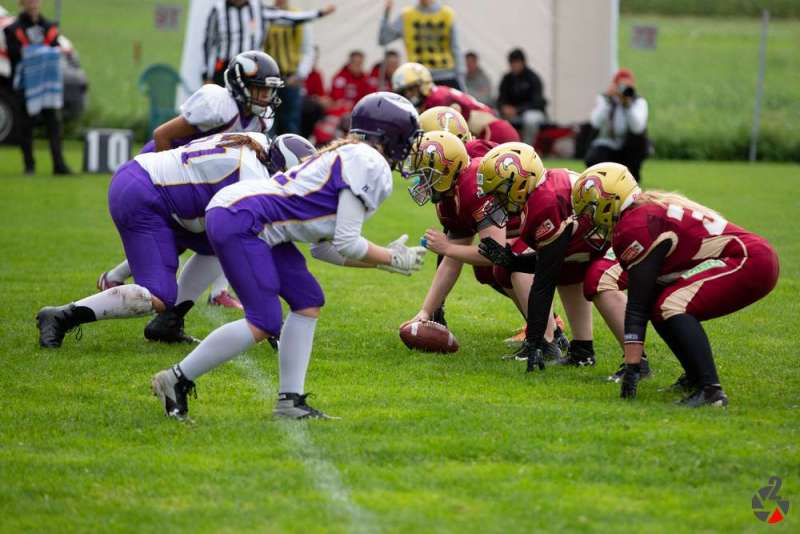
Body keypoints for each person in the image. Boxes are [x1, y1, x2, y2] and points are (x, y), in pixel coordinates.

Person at [150, 92, 427, 420]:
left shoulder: (354, 155)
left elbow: (326, 248)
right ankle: (176, 379)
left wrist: (383, 263)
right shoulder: (368, 161)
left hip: (252, 218)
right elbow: (349, 242)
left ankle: (290, 401)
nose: (410, 148)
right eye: (408, 139)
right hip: (244, 217)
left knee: (307, 300)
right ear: (389, 134)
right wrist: (391, 258)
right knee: (264, 321)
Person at [35, 132, 273, 349]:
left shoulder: (258, 141)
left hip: (152, 184)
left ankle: (169, 322)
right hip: (145, 196)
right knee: (158, 294)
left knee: (217, 245)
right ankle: (62, 316)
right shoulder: (253, 178)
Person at [571, 163, 779, 406]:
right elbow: (645, 302)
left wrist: (632, 368)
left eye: (590, 209)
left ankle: (711, 391)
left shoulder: (636, 226)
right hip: (751, 256)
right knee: (659, 306)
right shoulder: (641, 213)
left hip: (748, 260)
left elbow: (636, 305)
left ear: (611, 200)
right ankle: (695, 377)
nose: (588, 218)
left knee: (672, 305)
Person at [97, 51, 285, 315]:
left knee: (214, 232)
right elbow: (163, 134)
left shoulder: (259, 118)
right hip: (169, 171)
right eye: (259, 89)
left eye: (268, 91)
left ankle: (116, 277)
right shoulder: (218, 103)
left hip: (206, 177)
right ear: (240, 85)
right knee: (185, 233)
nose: (265, 97)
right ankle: (210, 294)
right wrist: (169, 188)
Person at [476, 143, 639, 374]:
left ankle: (638, 362)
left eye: (500, 191)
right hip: (596, 238)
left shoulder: (545, 203)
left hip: (621, 237)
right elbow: (552, 259)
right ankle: (583, 351)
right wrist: (513, 261)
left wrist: (535, 341)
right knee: (568, 272)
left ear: (522, 182)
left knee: (598, 280)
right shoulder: (540, 192)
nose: (496, 200)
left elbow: (544, 280)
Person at [3, 0, 70, 175]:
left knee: (53, 125)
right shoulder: (13, 29)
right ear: (21, 3)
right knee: (25, 126)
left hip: (48, 87)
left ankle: (59, 164)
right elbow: (15, 53)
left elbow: (55, 48)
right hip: (25, 86)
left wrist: (37, 52)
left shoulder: (49, 27)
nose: (33, 4)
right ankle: (29, 166)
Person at [202, 0, 333, 86]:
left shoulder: (257, 8)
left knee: (251, 109)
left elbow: (288, 17)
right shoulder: (218, 9)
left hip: (251, 68)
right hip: (225, 67)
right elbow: (208, 43)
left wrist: (319, 13)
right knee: (221, 109)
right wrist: (206, 75)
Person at [392, 62, 520, 144]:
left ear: (423, 83)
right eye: (405, 92)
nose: (409, 95)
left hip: (493, 133)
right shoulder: (435, 96)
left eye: (411, 89)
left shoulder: (437, 100)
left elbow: (448, 139)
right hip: (490, 132)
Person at [264, 0, 330, 134]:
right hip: (269, 78)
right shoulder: (266, 15)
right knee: (268, 120)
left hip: (290, 77)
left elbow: (307, 48)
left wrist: (300, 74)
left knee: (290, 122)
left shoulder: (298, 16)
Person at [379, 0, 464, 89]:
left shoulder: (447, 14)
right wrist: (386, 13)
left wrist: (460, 78)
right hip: (418, 78)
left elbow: (455, 48)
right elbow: (384, 39)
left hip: (446, 76)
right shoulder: (407, 15)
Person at [585, 68, 649, 182]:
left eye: (626, 86)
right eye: (620, 86)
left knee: (636, 148)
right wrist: (608, 101)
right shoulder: (605, 100)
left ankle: (632, 181)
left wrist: (628, 106)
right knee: (594, 157)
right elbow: (595, 122)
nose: (623, 90)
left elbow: (637, 128)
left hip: (628, 146)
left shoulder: (638, 102)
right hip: (608, 144)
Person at [497, 48, 547, 147]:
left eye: (516, 62)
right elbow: (501, 99)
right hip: (510, 113)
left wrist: (517, 110)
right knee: (494, 116)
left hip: (533, 112)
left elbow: (538, 102)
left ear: (523, 62)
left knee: (530, 119)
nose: (514, 66)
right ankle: (501, 148)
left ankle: (527, 148)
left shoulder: (533, 78)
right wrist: (504, 108)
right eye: (512, 63)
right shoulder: (507, 79)